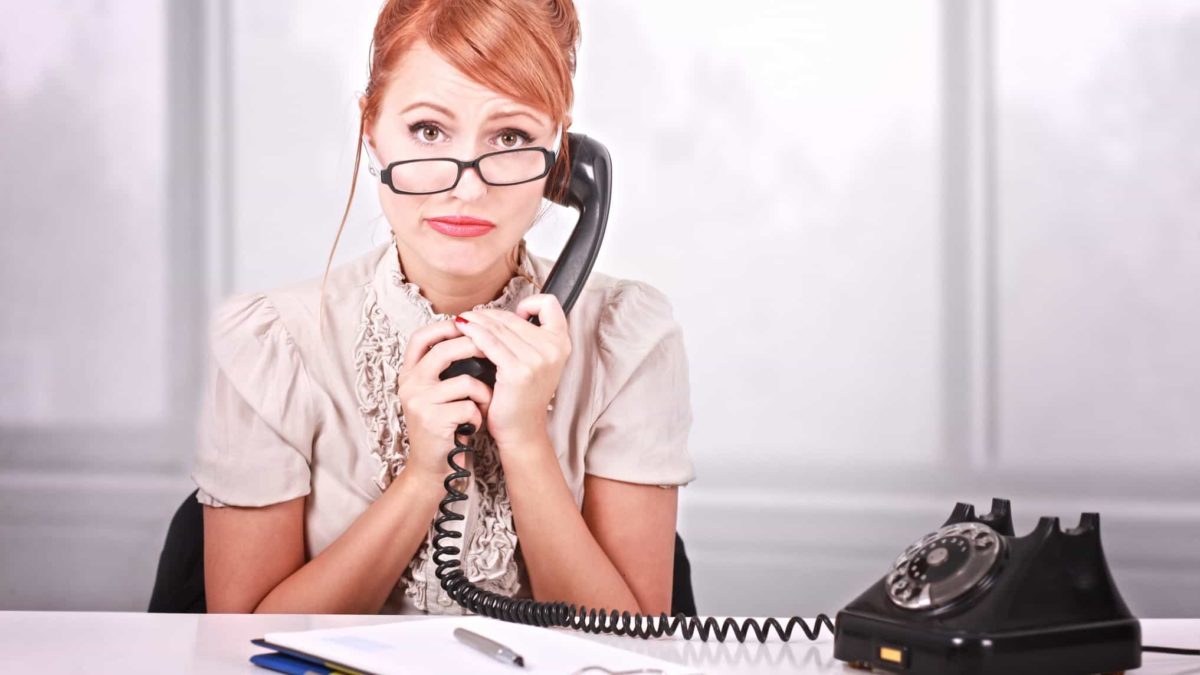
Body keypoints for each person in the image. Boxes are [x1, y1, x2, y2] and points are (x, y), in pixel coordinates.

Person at [192, 0, 695, 616]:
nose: (467, 186)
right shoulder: (273, 343)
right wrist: (425, 476)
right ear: (370, 129)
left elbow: (631, 645)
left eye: (511, 137)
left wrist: (525, 440)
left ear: (562, 158)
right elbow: (240, 647)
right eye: (429, 131)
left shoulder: (628, 338)